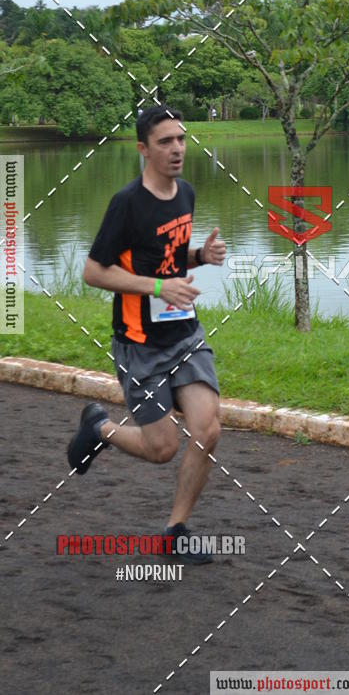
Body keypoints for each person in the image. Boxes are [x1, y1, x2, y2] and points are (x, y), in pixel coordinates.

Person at [67, 104, 226, 565]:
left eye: (180, 139)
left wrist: (200, 256)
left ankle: (175, 532)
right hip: (139, 343)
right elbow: (93, 272)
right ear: (143, 149)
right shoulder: (127, 203)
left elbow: (167, 259)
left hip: (183, 334)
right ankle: (99, 428)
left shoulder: (187, 194)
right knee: (162, 448)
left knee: (207, 429)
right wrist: (158, 286)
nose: (177, 149)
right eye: (165, 142)